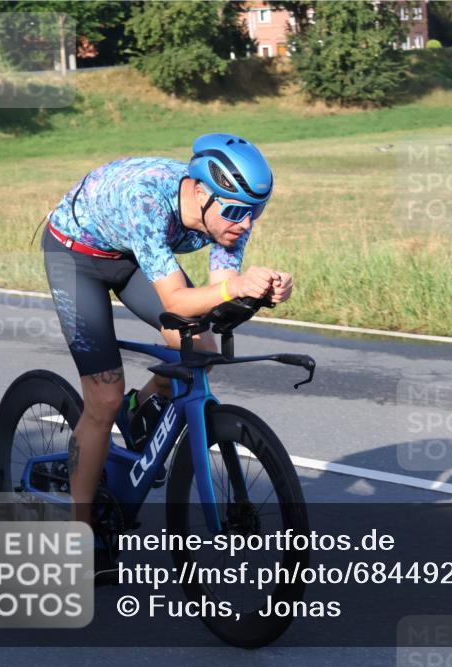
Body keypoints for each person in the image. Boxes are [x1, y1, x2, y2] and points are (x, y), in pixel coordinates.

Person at [41, 133, 292, 540]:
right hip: (76, 257)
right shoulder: (148, 200)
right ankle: (79, 532)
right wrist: (235, 287)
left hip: (133, 254)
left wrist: (262, 292)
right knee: (104, 398)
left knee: (201, 350)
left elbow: (216, 295)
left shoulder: (231, 214)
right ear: (200, 193)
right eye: (235, 212)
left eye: (256, 211)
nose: (245, 223)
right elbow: (177, 299)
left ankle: (138, 409)